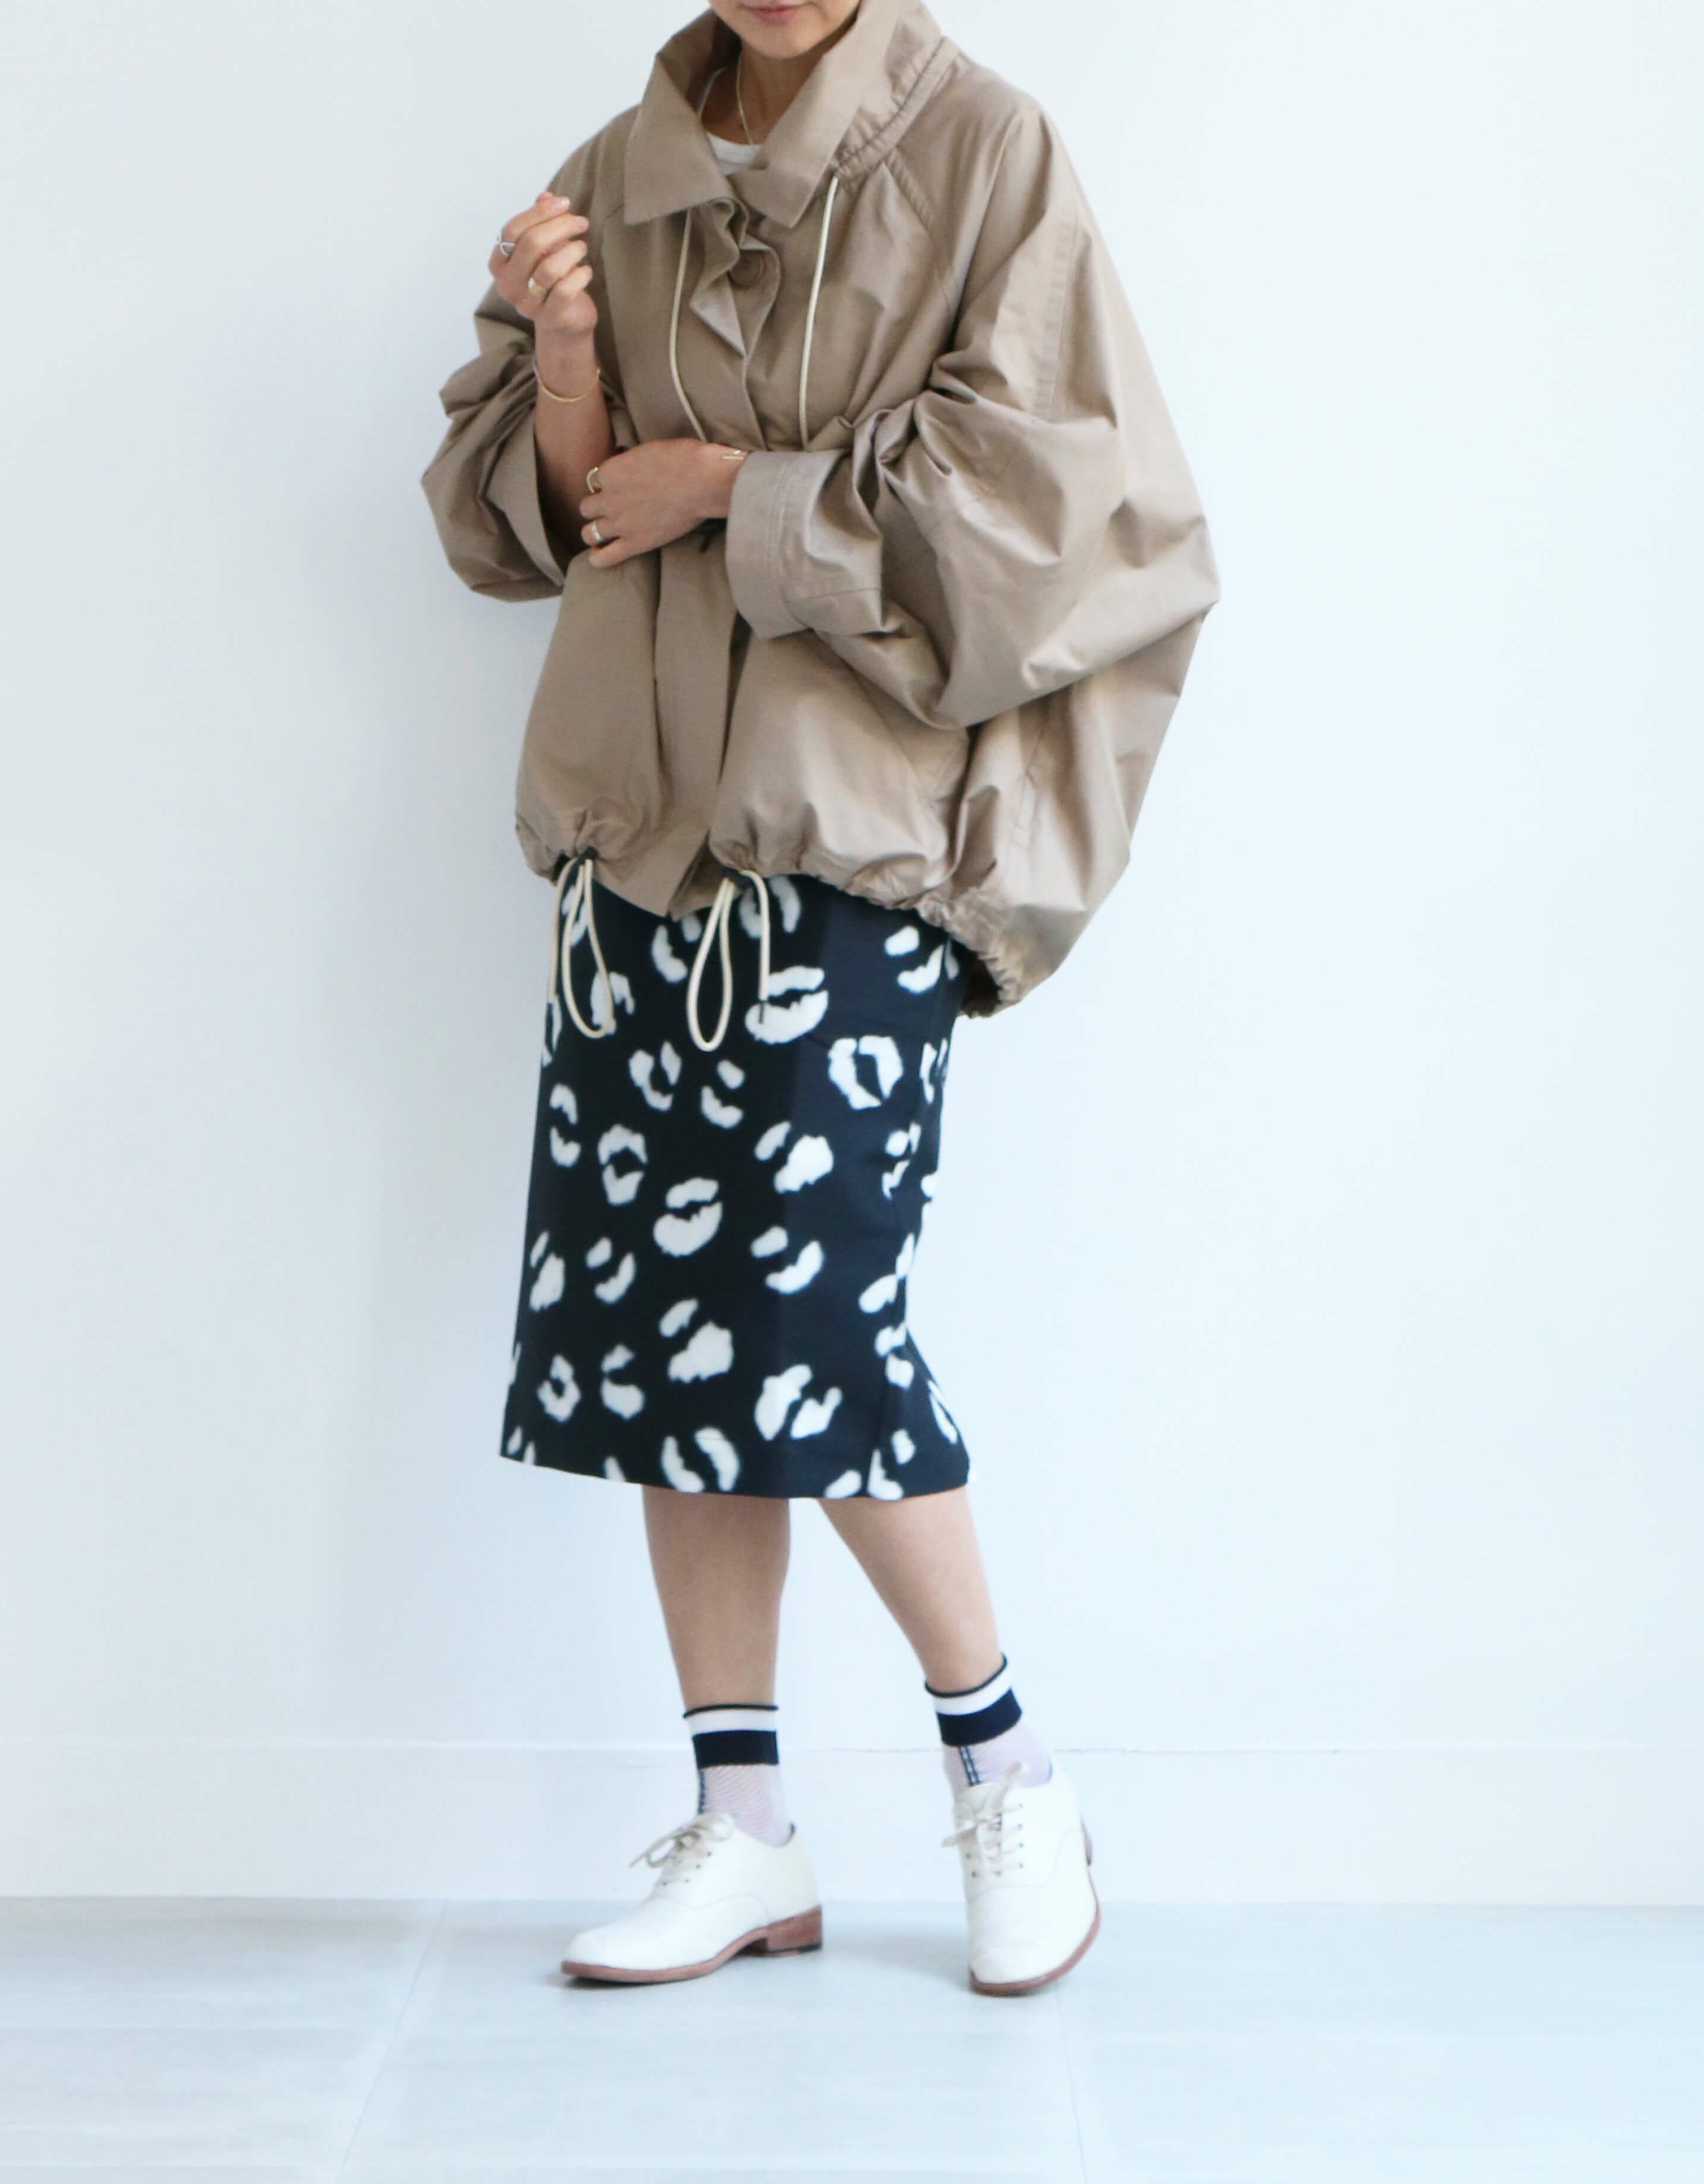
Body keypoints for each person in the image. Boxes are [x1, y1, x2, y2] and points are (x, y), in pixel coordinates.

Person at [422, 0, 1216, 1994]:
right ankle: (747, 1827)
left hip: (844, 845)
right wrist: (573, 359)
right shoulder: (618, 168)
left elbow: (1061, 509)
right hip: (638, 839)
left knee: (811, 1327)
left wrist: (743, 494)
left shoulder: (984, 151)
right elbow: (552, 523)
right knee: (661, 1348)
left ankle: (1012, 1774)